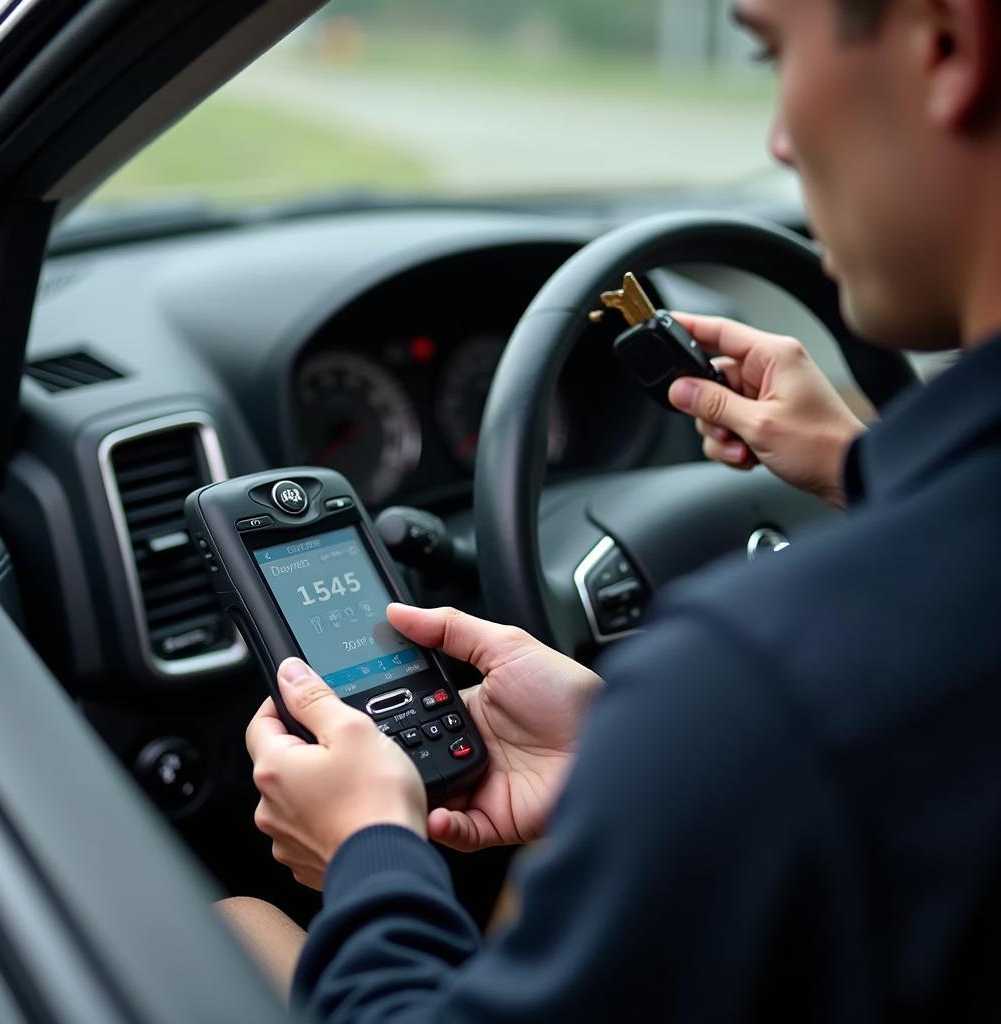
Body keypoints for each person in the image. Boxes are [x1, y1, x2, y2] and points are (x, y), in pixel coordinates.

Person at [223, 0, 1001, 1018]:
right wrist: (858, 469)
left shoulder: (756, 691)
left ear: (946, 43)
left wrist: (371, 850)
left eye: (771, 51)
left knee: (230, 915)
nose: (776, 138)